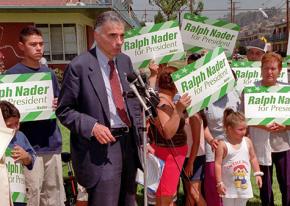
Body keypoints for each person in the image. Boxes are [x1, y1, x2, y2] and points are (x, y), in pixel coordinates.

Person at [56, 11, 143, 206]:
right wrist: (92, 126)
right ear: (97, 35)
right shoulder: (79, 66)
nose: (119, 41)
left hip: (128, 144)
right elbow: (64, 110)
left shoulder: (124, 61)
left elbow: (133, 104)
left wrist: (142, 137)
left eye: (122, 36)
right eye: (113, 35)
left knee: (129, 200)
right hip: (100, 149)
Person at [5, 26, 65, 206]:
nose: (39, 48)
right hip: (26, 148)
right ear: (21, 46)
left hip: (51, 144)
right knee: (32, 196)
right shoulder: (11, 76)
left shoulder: (50, 74)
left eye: (41, 44)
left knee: (53, 197)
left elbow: (60, 104)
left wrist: (57, 103)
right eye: (33, 44)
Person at [247, 52, 290, 206]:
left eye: (273, 68)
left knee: (287, 183)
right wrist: (261, 125)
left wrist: (286, 126)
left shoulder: (287, 91)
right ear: (261, 69)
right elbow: (244, 118)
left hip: (283, 145)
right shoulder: (251, 90)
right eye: (266, 68)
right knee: (264, 185)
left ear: (279, 70)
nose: (269, 72)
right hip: (260, 144)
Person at [148, 66, 191, 206]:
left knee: (166, 194)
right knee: (165, 195)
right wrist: (178, 110)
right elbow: (167, 133)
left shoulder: (167, 100)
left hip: (173, 156)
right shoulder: (163, 103)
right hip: (169, 156)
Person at [203, 77, 241, 206]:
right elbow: (201, 124)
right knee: (214, 184)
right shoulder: (206, 97)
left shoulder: (236, 93)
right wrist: (210, 139)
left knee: (234, 184)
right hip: (213, 146)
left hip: (234, 147)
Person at [215, 108, 263, 206]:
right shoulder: (223, 144)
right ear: (229, 128)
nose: (244, 132)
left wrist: (257, 173)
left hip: (243, 187)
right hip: (228, 188)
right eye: (240, 129)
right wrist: (219, 183)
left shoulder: (247, 142)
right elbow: (217, 164)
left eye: (245, 128)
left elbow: (253, 158)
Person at [181, 53, 206, 206]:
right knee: (189, 196)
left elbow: (197, 141)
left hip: (195, 157)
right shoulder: (182, 100)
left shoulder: (196, 111)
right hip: (184, 154)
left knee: (194, 194)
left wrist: (190, 163)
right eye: (188, 65)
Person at [0, 100, 36, 206]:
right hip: (3, 195)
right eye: (9, 125)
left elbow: (31, 159)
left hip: (19, 196)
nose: (15, 128)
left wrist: (26, 157)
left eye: (17, 123)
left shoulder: (20, 136)